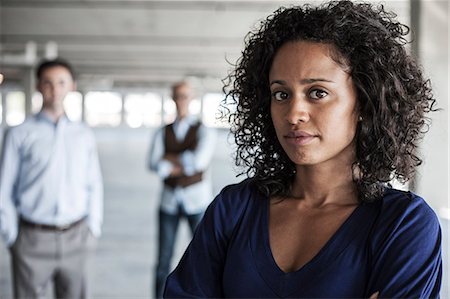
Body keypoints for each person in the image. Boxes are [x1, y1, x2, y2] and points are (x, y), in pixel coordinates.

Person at [164, 1, 442, 298]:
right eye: (281, 94)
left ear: (364, 101)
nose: (293, 113)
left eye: (317, 92)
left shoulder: (404, 225)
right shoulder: (234, 209)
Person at [0, 58, 103, 299]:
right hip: (32, 239)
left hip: (77, 237)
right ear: (38, 86)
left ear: (72, 87)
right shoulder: (19, 134)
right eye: (47, 83)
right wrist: (12, 235)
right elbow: (4, 187)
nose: (54, 89)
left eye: (61, 82)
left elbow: (94, 184)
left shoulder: (83, 135)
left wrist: (93, 228)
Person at [147, 81, 217, 298]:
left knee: (204, 257)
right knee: (163, 259)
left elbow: (199, 162)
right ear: (172, 99)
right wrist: (183, 162)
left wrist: (169, 160)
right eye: (177, 96)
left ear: (191, 99)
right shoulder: (163, 131)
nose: (181, 100)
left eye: (185, 96)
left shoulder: (204, 130)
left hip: (197, 202)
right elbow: (153, 164)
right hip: (168, 202)